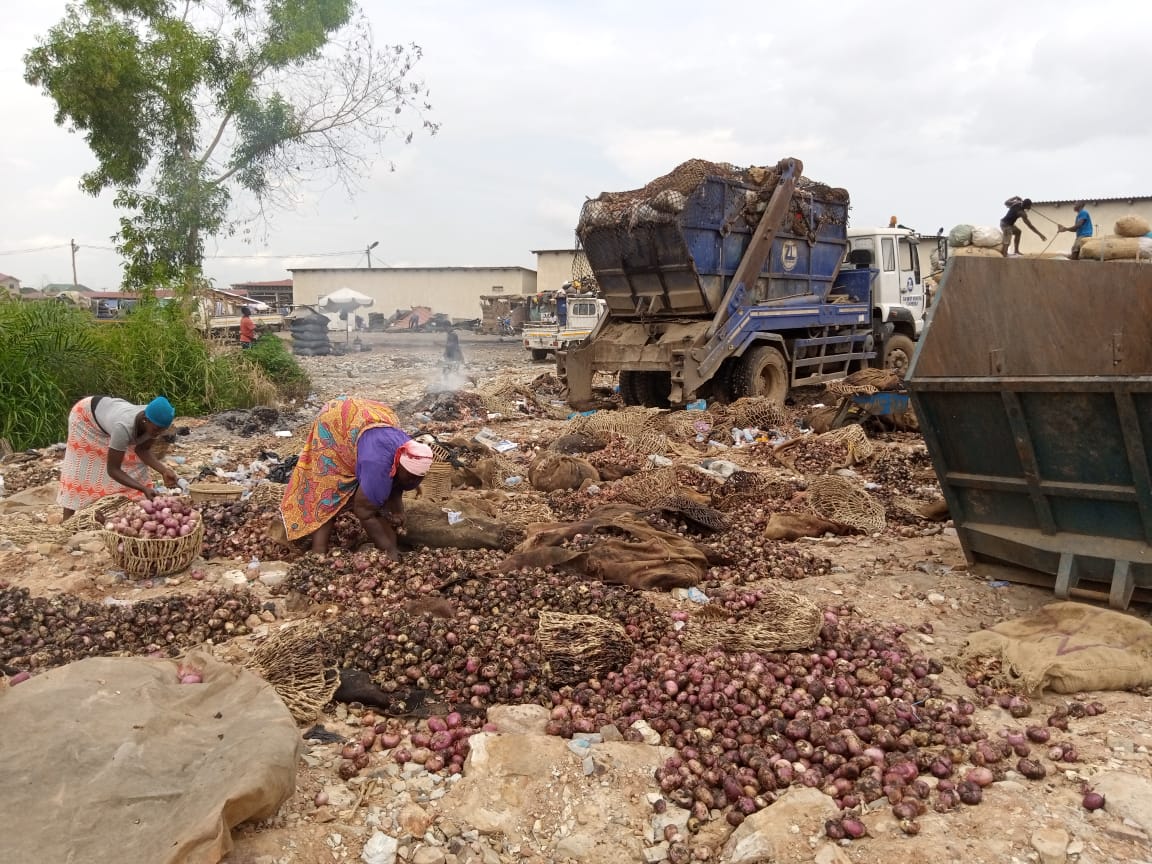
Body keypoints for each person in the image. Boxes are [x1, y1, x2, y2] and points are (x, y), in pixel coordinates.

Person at [279, 397, 434, 557]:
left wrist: (397, 511)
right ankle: (318, 553)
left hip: (369, 418)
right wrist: (389, 550)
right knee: (325, 491)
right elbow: (364, 512)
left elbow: (397, 484)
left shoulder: (410, 449)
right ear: (397, 465)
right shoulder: (377, 464)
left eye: (417, 478)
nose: (413, 482)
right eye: (410, 478)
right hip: (336, 422)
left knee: (377, 493)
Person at [57, 396, 179, 519]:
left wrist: (164, 471)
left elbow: (142, 450)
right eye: (157, 429)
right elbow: (113, 470)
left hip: (110, 416)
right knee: (80, 470)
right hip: (85, 418)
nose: (158, 433)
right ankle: (67, 521)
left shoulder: (155, 420)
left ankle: (134, 515)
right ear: (145, 420)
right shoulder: (124, 427)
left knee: (136, 466)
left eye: (162, 430)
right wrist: (143, 488)